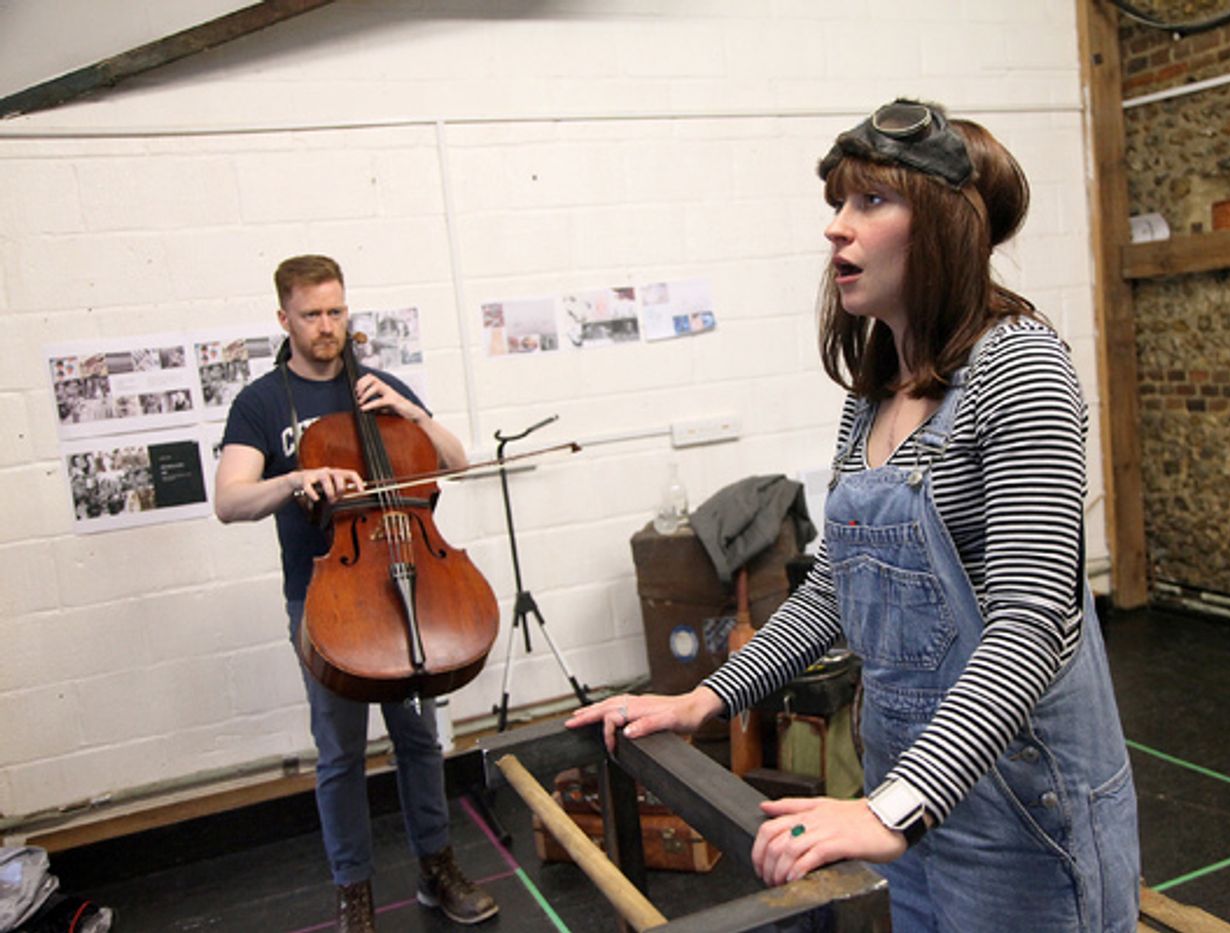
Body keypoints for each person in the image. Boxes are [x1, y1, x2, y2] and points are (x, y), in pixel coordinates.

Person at [568, 100, 1140, 931]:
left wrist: (890, 809)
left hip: (1020, 813)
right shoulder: (871, 398)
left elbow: (1033, 620)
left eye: (870, 202)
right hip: (907, 796)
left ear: (943, 223)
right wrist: (707, 699)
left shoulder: (1019, 365)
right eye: (837, 204)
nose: (838, 228)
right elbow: (834, 584)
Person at [214, 255, 499, 931]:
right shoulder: (261, 402)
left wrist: (414, 412)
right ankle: (354, 890)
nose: (327, 327)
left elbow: (455, 463)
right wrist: (295, 479)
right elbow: (229, 500)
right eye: (311, 314)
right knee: (341, 752)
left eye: (336, 311)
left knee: (420, 739)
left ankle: (436, 866)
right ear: (283, 318)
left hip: (412, 581)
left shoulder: (378, 384)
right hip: (330, 599)